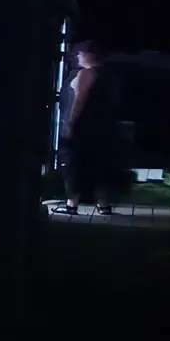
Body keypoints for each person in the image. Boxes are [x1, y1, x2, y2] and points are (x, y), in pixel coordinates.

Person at [58, 41, 121, 215]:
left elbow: (79, 99)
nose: (77, 57)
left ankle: (72, 203)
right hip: (100, 128)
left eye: (79, 54)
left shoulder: (86, 74)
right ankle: (103, 205)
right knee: (98, 165)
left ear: (88, 54)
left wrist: (69, 123)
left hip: (83, 129)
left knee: (75, 164)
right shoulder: (106, 75)